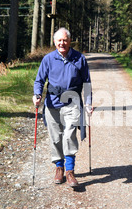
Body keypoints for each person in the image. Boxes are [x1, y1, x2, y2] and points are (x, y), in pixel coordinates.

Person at [33, 28, 92, 188]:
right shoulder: (48, 59)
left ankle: (70, 171)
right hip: (52, 104)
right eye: (59, 40)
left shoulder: (79, 58)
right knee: (56, 137)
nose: (62, 43)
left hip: (72, 103)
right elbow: (39, 80)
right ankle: (59, 167)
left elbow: (86, 82)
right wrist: (37, 94)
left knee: (69, 135)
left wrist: (88, 102)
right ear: (54, 42)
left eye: (65, 40)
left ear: (70, 41)